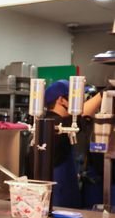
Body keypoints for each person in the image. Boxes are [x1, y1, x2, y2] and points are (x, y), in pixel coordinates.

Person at [42, 79, 102, 208]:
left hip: (66, 191)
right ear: (61, 100)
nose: (80, 103)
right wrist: (103, 94)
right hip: (59, 197)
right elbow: (83, 114)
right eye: (75, 99)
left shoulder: (50, 121)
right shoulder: (56, 125)